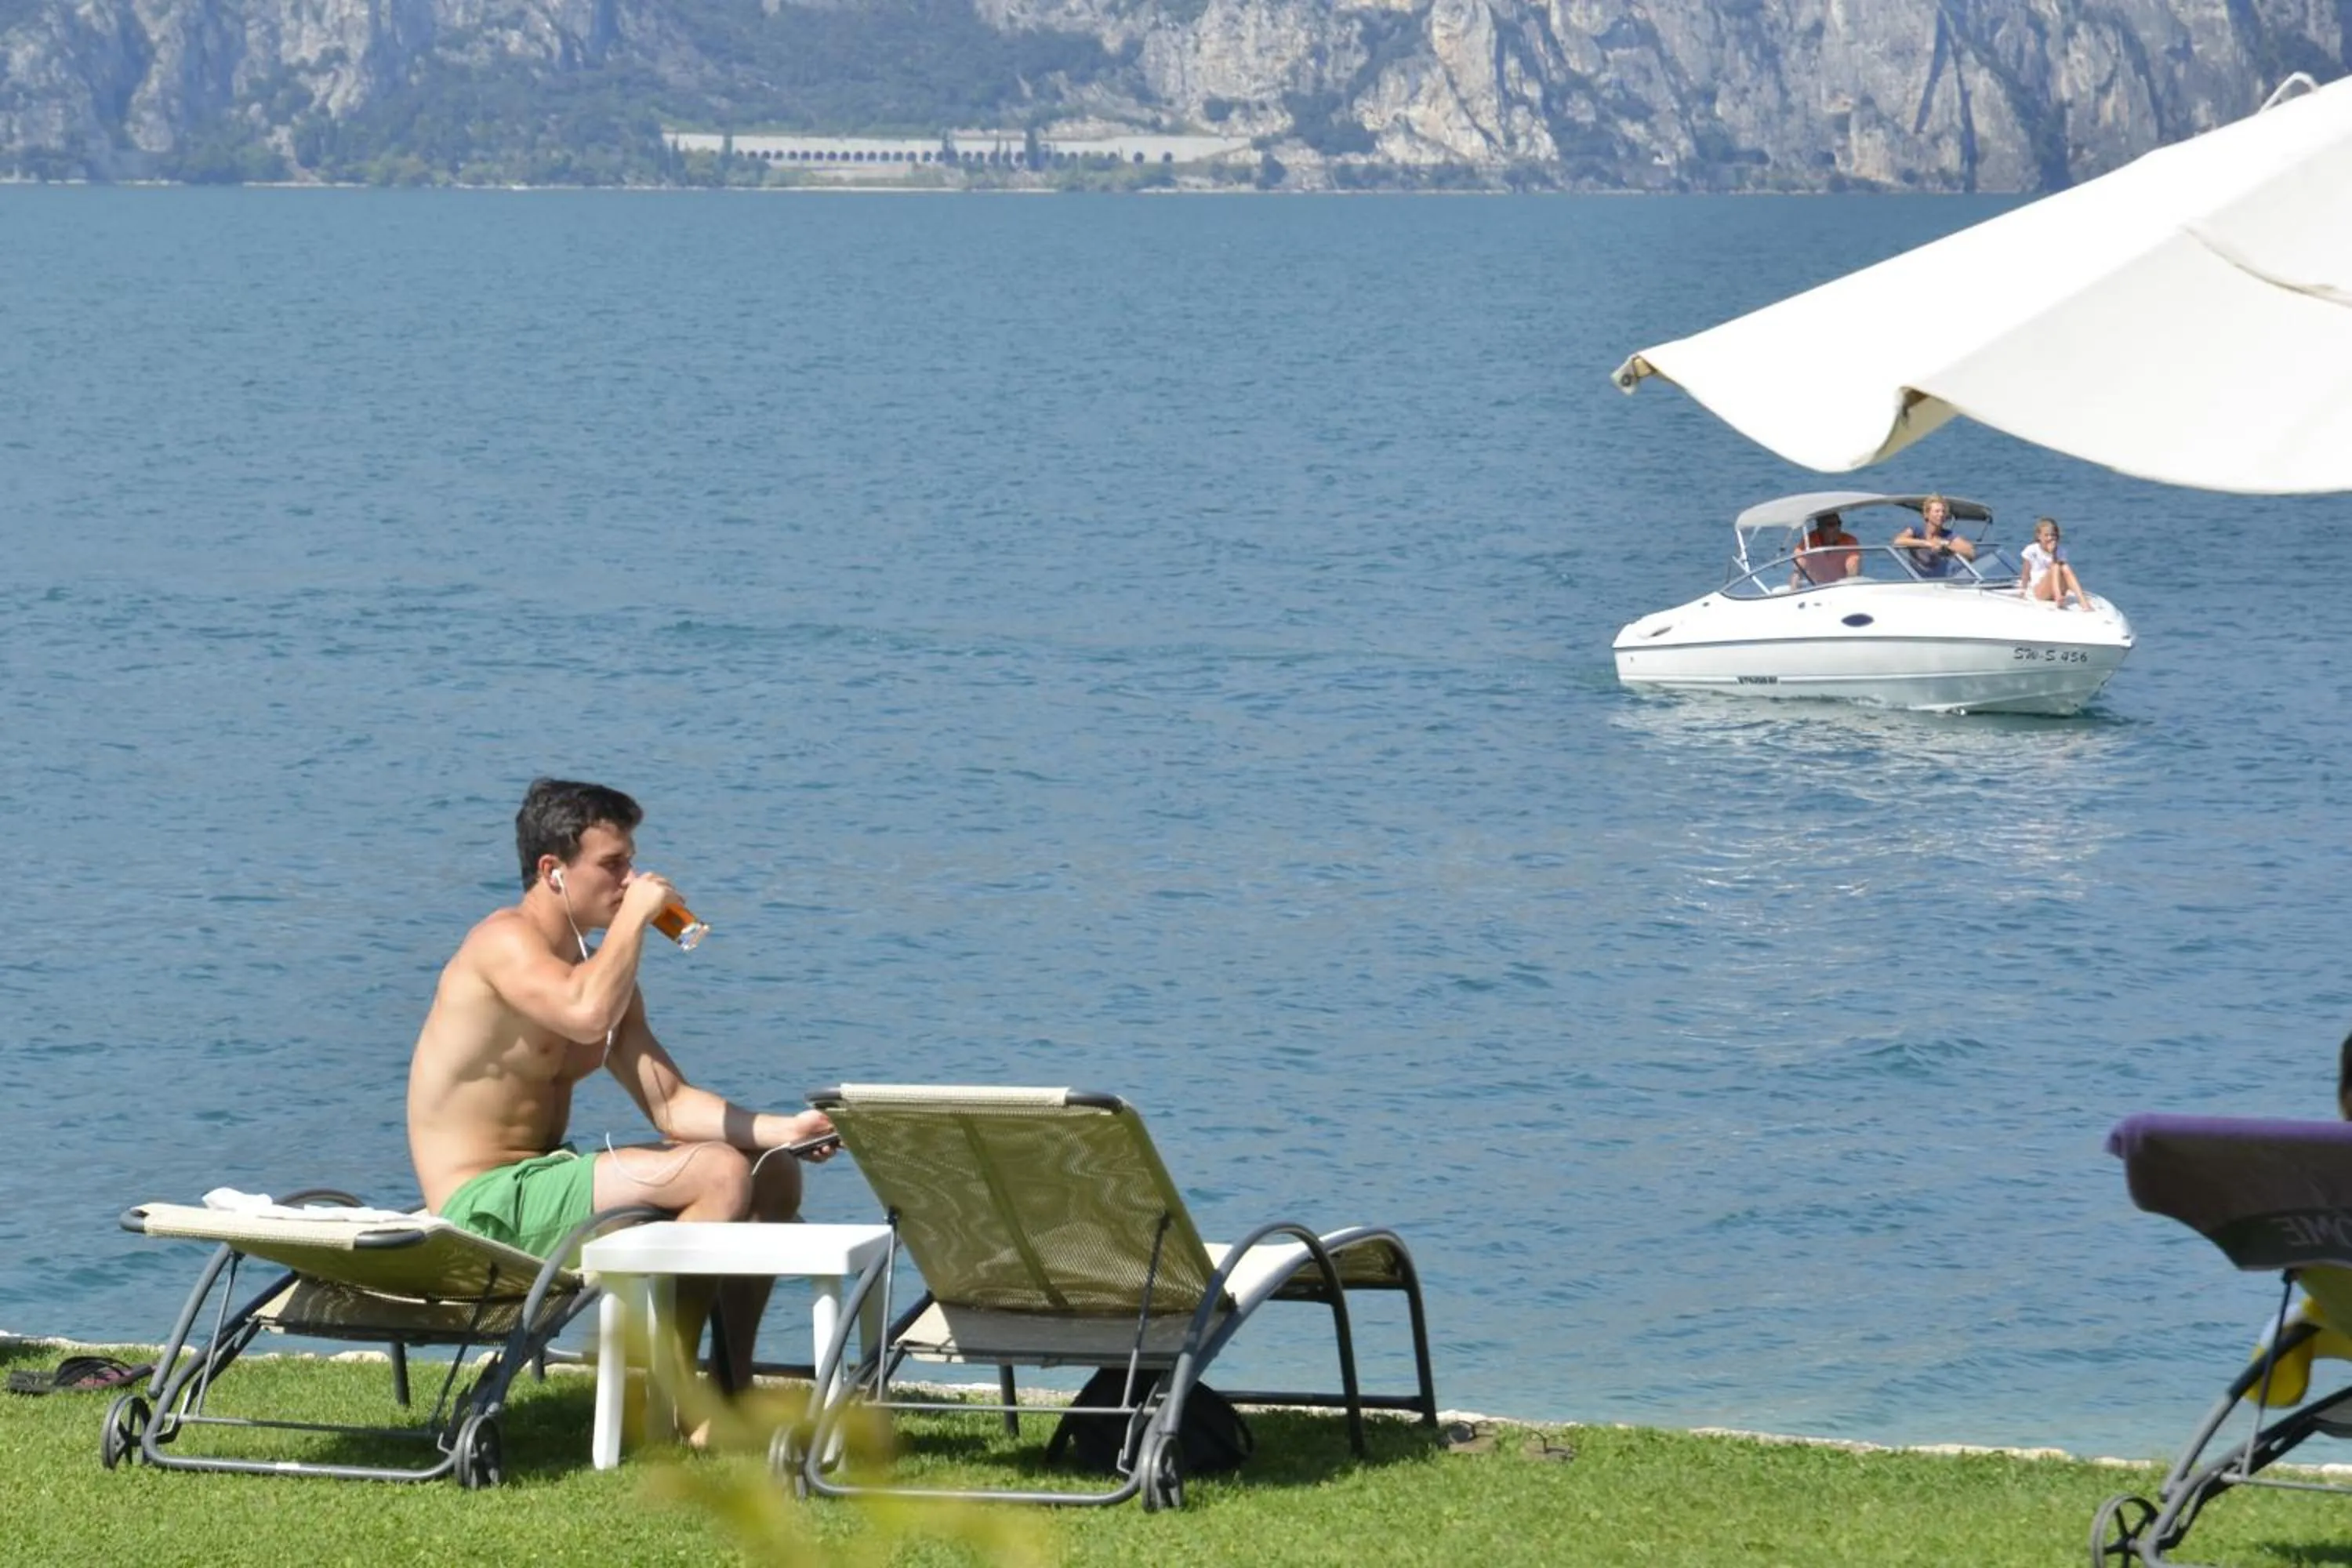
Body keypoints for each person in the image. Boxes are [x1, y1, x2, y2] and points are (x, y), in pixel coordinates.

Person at [406, 778, 837, 1404]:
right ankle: (674, 1399)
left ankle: (730, 1382)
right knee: (717, 1174)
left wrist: (786, 1132)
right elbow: (582, 1015)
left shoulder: (601, 974)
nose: (630, 880)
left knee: (770, 1174)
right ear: (553, 871)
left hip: (544, 1180)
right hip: (481, 1202)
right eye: (613, 865)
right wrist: (636, 920)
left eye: (631, 863)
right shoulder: (503, 943)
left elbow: (670, 1105)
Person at [1892, 493, 1977, 577]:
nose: (1941, 515)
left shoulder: (1947, 535)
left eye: (1943, 512)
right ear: (1927, 514)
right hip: (1918, 581)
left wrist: (1946, 546)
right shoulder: (1917, 530)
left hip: (1940, 581)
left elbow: (1971, 551)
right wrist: (1928, 543)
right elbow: (1898, 541)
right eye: (1937, 511)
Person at [2019, 516, 2094, 608]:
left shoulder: (2060, 551)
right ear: (2039, 536)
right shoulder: (2032, 550)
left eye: (2053, 535)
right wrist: (2023, 589)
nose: (2050, 538)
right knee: (2055, 566)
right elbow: (2025, 572)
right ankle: (2058, 597)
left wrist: (2053, 553)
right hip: (2041, 590)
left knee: (2064, 566)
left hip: (2059, 587)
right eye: (2046, 535)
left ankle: (2082, 600)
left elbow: (2062, 573)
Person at [1790, 510, 1861, 587]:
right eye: (1831, 525)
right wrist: (1794, 591)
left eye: (1839, 523)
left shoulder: (1850, 541)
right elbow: (1798, 571)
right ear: (1820, 527)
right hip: (1816, 588)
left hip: (1842, 587)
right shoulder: (1808, 542)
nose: (1837, 528)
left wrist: (1849, 588)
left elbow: (1853, 568)